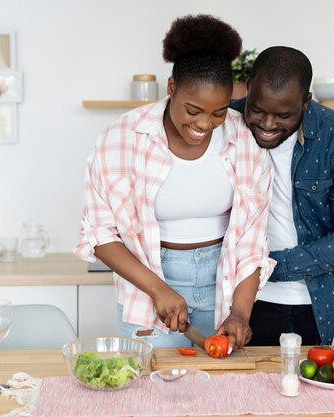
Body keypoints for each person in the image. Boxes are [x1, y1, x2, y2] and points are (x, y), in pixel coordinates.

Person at [75, 15, 274, 350]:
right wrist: (158, 289)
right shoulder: (120, 137)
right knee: (149, 390)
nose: (204, 124)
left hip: (222, 282)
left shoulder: (244, 139)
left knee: (219, 393)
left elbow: (252, 241)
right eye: (193, 110)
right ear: (171, 88)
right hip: (147, 282)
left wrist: (240, 312)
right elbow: (99, 234)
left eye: (218, 113)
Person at [230, 46, 334, 345]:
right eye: (257, 110)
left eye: (283, 115)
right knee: (243, 390)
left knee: (324, 389)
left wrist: (269, 267)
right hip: (241, 304)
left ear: (306, 102)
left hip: (324, 303)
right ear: (248, 91)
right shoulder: (226, 123)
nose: (268, 124)